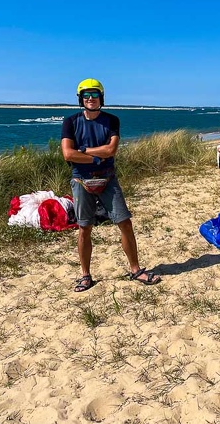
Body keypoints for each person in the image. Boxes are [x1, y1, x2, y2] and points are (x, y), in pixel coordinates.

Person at [61, 78, 161, 292]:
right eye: (86, 95)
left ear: (101, 98)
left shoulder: (111, 120)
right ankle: (85, 275)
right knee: (84, 228)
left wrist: (85, 151)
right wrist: (97, 157)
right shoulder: (71, 122)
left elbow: (111, 151)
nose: (90, 98)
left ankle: (135, 269)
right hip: (81, 180)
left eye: (95, 95)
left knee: (124, 223)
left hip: (108, 178)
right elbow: (68, 154)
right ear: (80, 98)